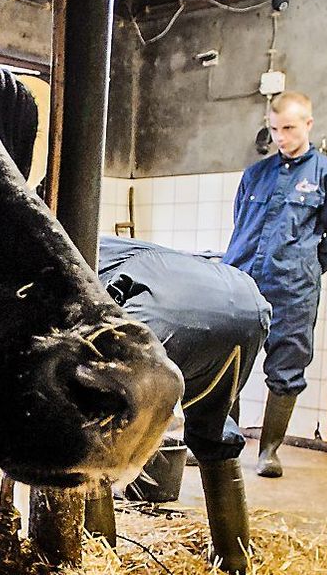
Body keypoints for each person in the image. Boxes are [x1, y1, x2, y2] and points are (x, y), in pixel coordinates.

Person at [95, 236, 271, 574]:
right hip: (246, 304)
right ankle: (234, 560)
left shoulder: (74, 249)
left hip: (165, 306)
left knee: (98, 436)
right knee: (215, 435)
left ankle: (98, 562)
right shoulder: (126, 247)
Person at [222, 91, 327, 478]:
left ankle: (269, 451)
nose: (281, 137)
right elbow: (241, 226)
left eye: (289, 128)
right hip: (242, 282)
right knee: (229, 363)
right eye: (275, 128)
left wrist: (304, 269)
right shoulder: (255, 175)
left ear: (308, 125)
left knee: (286, 368)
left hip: (292, 289)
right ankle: (223, 444)